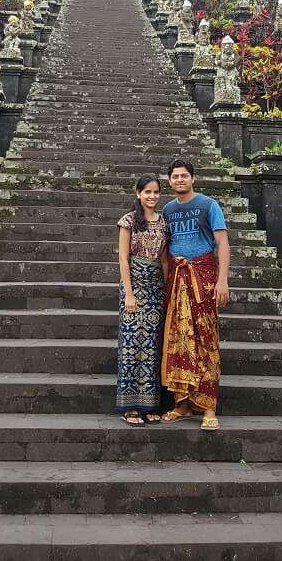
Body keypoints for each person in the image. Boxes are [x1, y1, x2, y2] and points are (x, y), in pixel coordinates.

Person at [160, 157, 230, 431]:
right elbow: (164, 247)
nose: (179, 180)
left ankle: (208, 407)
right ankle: (182, 404)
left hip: (204, 277)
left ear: (193, 179)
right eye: (175, 176)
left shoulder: (208, 205)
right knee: (179, 338)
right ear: (169, 181)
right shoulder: (167, 209)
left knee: (205, 337)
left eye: (184, 176)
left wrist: (222, 281)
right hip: (177, 279)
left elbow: (223, 243)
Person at [116, 174, 169, 425]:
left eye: (156, 192)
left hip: (156, 286)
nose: (152, 196)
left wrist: (168, 289)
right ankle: (130, 407)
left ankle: (150, 405)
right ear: (138, 193)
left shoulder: (164, 222)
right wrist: (129, 293)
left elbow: (166, 259)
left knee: (152, 345)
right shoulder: (128, 221)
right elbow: (123, 259)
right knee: (131, 344)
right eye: (147, 192)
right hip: (133, 286)